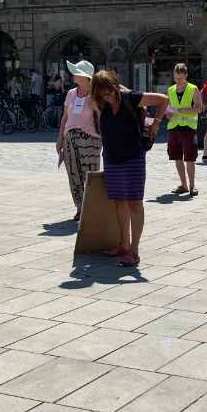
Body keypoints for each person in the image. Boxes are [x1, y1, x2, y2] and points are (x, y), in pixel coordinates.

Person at [90, 70, 167, 267]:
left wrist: (156, 124)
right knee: (119, 202)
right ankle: (124, 244)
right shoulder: (101, 103)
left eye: (110, 92)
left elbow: (163, 100)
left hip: (133, 157)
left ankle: (134, 250)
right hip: (111, 158)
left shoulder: (130, 98)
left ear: (115, 86)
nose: (109, 97)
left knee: (134, 203)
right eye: (104, 95)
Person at [57, 60, 102, 220]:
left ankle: (92, 207)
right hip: (70, 139)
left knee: (90, 174)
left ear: (85, 77)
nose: (73, 75)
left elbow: (105, 118)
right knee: (73, 174)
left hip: (90, 140)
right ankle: (79, 208)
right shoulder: (70, 93)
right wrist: (60, 139)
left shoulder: (97, 94)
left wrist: (96, 107)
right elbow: (65, 117)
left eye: (76, 73)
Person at [165, 63, 204, 196]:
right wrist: (168, 113)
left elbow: (199, 108)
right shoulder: (170, 90)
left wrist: (182, 110)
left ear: (186, 76)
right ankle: (184, 185)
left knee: (190, 157)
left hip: (188, 127)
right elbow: (169, 107)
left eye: (180, 78)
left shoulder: (193, 89)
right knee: (177, 157)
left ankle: (192, 186)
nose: (178, 80)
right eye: (176, 78)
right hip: (174, 127)